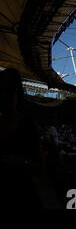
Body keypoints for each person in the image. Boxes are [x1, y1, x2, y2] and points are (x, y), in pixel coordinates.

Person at [0, 68, 44, 208]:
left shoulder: (28, 125)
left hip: (23, 194)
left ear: (18, 93)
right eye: (2, 91)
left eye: (10, 91)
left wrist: (21, 163)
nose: (5, 97)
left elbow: (40, 166)